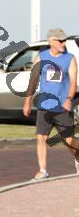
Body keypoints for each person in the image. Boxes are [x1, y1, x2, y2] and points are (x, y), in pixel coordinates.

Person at [23, 28, 79, 179]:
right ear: (50, 41)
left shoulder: (70, 58)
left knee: (68, 140)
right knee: (41, 137)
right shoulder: (41, 57)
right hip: (45, 106)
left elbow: (73, 82)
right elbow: (33, 81)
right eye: (60, 40)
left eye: (64, 40)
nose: (63, 43)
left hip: (62, 107)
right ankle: (43, 170)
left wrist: (69, 99)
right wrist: (27, 102)